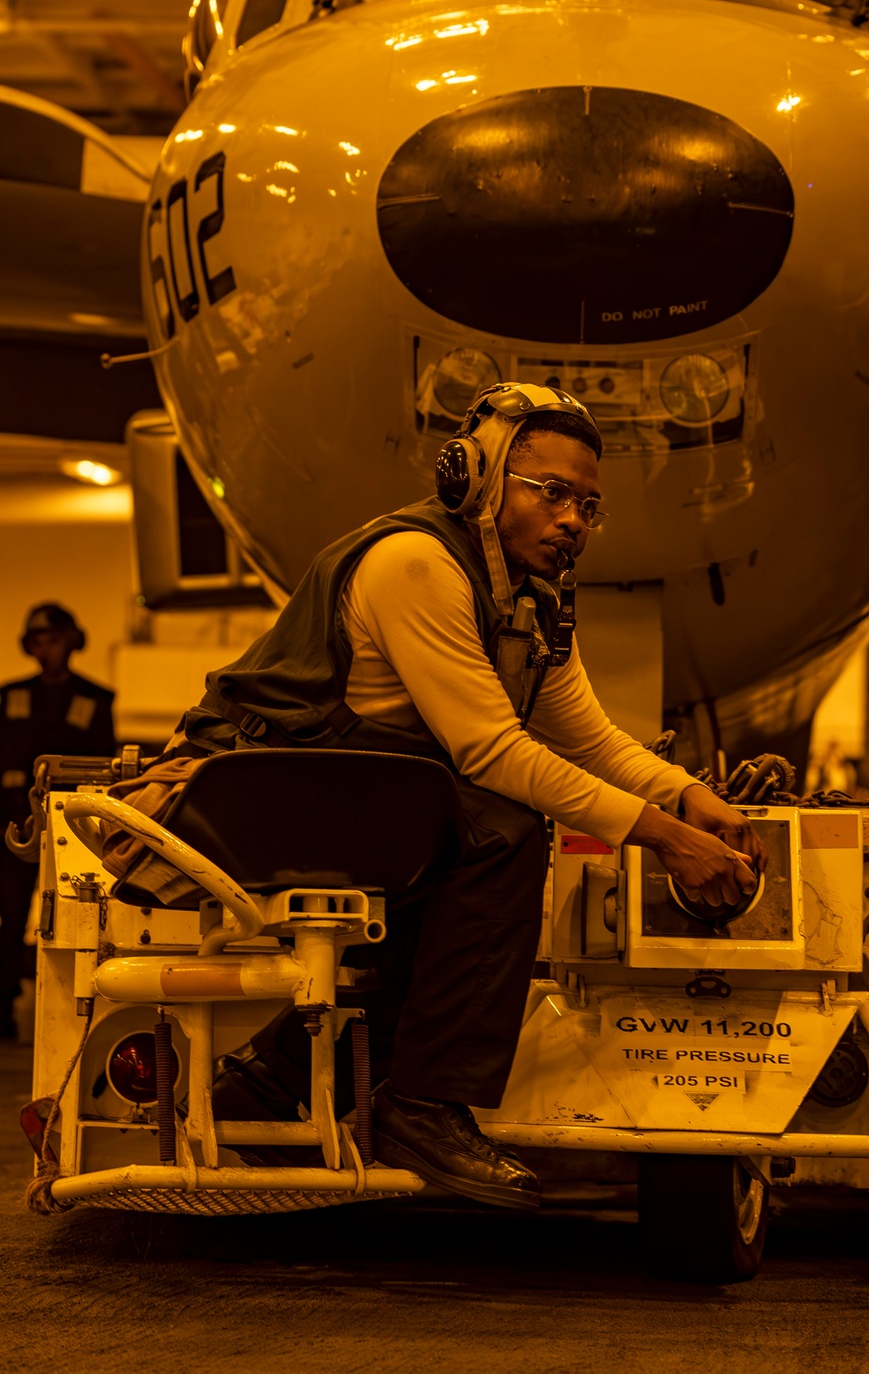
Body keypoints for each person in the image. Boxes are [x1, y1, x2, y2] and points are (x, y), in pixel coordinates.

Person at [158, 383, 766, 1208]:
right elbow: (492, 748)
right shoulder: (416, 563)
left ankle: (267, 1085)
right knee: (501, 827)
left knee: (459, 864)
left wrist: (690, 794)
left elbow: (582, 734)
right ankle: (422, 1104)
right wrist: (663, 836)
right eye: (550, 492)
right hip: (251, 783)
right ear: (473, 477)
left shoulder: (529, 595)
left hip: (347, 793)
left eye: (589, 504)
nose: (573, 520)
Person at [1, 604, 115, 1038]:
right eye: (39, 641)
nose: (47, 649)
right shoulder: (10, 696)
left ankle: (74, 1006)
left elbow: (102, 766)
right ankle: (3, 1009)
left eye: (54, 640)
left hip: (73, 831)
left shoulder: (95, 700)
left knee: (75, 915)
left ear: (72, 642)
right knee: (9, 918)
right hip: (14, 826)